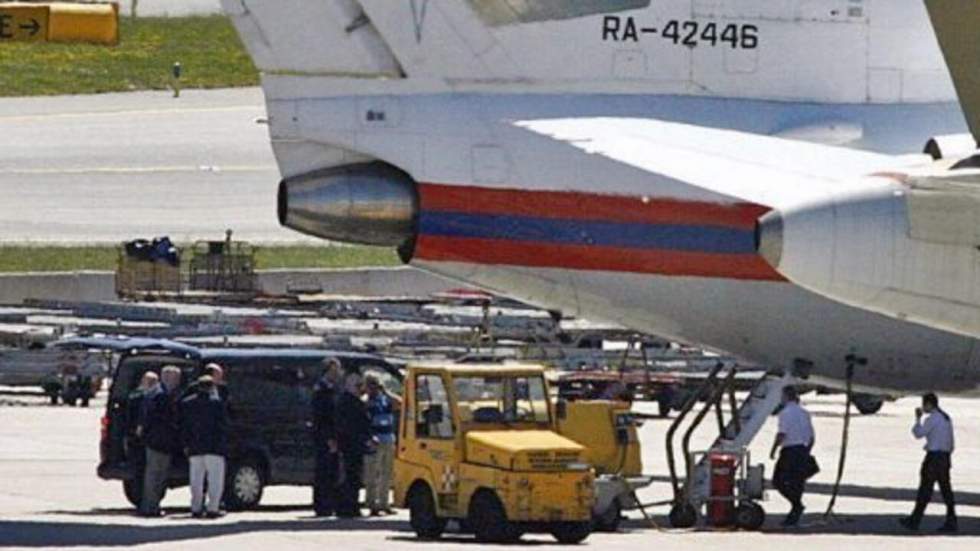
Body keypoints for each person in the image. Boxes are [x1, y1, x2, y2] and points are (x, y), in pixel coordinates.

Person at [900, 393, 958, 533]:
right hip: (945, 457)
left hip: (934, 458)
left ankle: (915, 520)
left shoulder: (932, 419)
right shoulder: (945, 417)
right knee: (946, 490)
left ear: (929, 404)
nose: (923, 407)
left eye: (924, 404)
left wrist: (918, 419)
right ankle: (951, 519)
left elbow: (918, 434)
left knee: (925, 489)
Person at [180, 374, 229, 519]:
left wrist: (185, 443)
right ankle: (213, 507)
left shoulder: (187, 403)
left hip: (195, 446)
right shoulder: (218, 404)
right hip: (214, 447)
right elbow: (223, 426)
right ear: (212, 387)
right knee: (215, 479)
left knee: (196, 479)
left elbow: (184, 427)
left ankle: (196, 507)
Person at [138, 366, 182, 517]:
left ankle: (151, 505)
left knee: (155, 475)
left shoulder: (154, 394)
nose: (177, 382)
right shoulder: (160, 396)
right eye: (175, 379)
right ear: (167, 378)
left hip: (156, 441)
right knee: (156, 475)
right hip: (159, 441)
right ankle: (151, 506)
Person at [770, 386, 815, 527]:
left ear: (786, 397)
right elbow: (812, 436)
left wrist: (773, 449)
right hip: (802, 449)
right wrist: (807, 451)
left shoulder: (785, 413)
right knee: (797, 482)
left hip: (790, 450)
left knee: (778, 480)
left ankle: (796, 505)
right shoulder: (805, 413)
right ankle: (795, 511)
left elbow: (782, 434)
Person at [335, 371, 372, 518]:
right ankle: (348, 507)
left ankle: (349, 506)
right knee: (351, 477)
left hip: (354, 444)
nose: (361, 389)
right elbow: (355, 424)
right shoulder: (349, 402)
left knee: (353, 477)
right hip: (350, 444)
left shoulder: (351, 401)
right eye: (358, 386)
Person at [363, 375, 399, 515]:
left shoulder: (385, 400)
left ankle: (384, 503)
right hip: (374, 439)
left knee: (387, 473)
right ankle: (372, 503)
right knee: (373, 473)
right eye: (371, 385)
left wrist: (386, 392)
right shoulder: (367, 402)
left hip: (388, 438)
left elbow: (399, 403)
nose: (373, 388)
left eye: (376, 384)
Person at [311, 358, 343, 517]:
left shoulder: (335, 388)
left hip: (334, 436)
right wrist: (329, 438)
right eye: (334, 370)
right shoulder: (321, 389)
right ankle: (321, 506)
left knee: (333, 472)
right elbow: (321, 417)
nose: (337, 373)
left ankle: (330, 504)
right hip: (324, 438)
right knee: (323, 472)